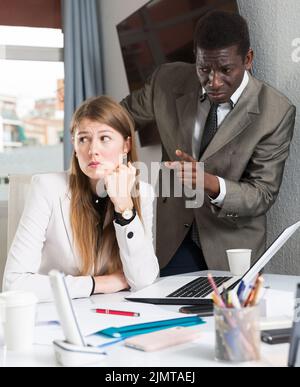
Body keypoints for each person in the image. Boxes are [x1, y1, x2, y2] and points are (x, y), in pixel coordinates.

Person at [121, 11, 296, 276]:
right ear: (196, 58)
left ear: (247, 59)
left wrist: (209, 182)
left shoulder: (276, 112)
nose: (213, 82)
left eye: (226, 70)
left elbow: (262, 194)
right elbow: (118, 118)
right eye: (204, 69)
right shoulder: (166, 81)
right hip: (171, 242)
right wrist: (93, 141)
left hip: (232, 249)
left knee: (229, 319)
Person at [3, 96, 159, 302]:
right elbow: (14, 284)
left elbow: (144, 280)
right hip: (57, 313)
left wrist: (124, 208)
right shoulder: (46, 188)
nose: (92, 150)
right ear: (75, 147)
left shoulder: (143, 193)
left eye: (104, 138)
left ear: (126, 146)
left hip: (114, 313)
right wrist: (98, 283)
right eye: (83, 139)